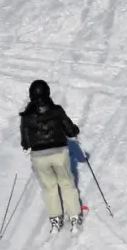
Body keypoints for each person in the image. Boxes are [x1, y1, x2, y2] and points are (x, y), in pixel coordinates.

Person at [20, 79, 83, 232]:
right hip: (59, 154)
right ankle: (74, 217)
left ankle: (55, 219)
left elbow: (25, 142)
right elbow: (70, 131)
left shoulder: (26, 116)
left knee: (49, 188)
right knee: (67, 183)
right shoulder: (57, 110)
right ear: (48, 93)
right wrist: (74, 130)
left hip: (39, 157)